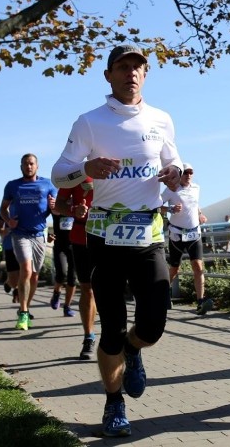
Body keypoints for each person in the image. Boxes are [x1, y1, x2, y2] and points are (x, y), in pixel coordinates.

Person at [51, 43, 183, 437]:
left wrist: (176, 173)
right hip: (104, 237)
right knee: (110, 328)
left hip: (149, 235)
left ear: (145, 75)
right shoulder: (89, 122)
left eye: (138, 67)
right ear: (108, 75)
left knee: (154, 325)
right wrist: (85, 169)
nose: (131, 73)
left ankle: (134, 349)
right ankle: (114, 405)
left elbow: (172, 161)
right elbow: (59, 174)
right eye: (123, 67)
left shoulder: (161, 119)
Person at [1, 154, 58, 331]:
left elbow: (55, 210)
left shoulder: (48, 184)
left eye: (31, 163)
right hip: (20, 234)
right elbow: (3, 209)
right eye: (25, 164)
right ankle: (23, 312)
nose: (28, 166)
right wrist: (9, 221)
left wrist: (54, 206)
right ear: (21, 167)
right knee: (25, 269)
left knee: (34, 276)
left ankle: (26, 306)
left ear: (37, 166)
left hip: (39, 234)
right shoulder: (12, 185)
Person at [53, 176, 98, 360]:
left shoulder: (119, 167)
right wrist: (74, 210)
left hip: (110, 237)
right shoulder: (76, 173)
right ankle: (89, 336)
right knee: (87, 289)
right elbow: (58, 205)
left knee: (108, 288)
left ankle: (116, 336)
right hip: (81, 237)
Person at [160, 162, 213, 315]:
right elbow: (156, 205)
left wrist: (200, 214)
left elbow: (194, 205)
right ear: (179, 174)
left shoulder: (196, 188)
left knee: (198, 266)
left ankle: (200, 301)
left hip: (194, 233)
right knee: (174, 269)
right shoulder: (171, 189)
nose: (189, 175)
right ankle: (162, 294)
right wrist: (170, 209)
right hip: (177, 234)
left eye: (191, 172)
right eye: (186, 173)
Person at [49, 206, 77, 318]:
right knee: (62, 273)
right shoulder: (57, 208)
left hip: (74, 246)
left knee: (72, 277)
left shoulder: (77, 208)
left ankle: (67, 307)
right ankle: (56, 293)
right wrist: (48, 236)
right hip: (60, 246)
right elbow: (41, 217)